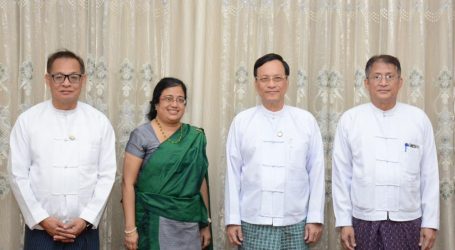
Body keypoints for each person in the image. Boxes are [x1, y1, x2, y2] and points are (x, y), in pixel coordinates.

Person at [8, 50, 117, 249]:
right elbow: (18, 175)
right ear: (47, 80)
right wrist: (42, 219)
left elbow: (107, 175)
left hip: (84, 231)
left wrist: (86, 218)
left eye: (73, 77)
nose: (66, 83)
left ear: (83, 80)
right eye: (59, 77)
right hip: (40, 232)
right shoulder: (28, 121)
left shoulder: (99, 122)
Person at [332, 54, 439, 250]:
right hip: (363, 219)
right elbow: (341, 176)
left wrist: (430, 222)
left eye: (390, 76)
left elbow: (429, 175)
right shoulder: (350, 120)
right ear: (366, 82)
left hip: (408, 219)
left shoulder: (418, 119)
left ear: (400, 82)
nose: (383, 82)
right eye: (377, 77)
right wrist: (344, 221)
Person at [225, 53, 325, 249]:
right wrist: (233, 219)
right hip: (253, 220)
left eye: (277, 78)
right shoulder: (242, 121)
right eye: (265, 79)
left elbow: (317, 171)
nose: (271, 84)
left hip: (296, 220)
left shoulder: (305, 121)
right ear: (256, 83)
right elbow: (232, 173)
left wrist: (315, 217)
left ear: (286, 82)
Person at [122, 77, 212, 250]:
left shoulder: (195, 136)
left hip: (190, 221)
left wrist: (205, 222)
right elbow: (128, 183)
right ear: (156, 103)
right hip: (152, 219)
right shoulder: (141, 135)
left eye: (180, 99)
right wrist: (129, 229)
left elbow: (200, 182)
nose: (175, 104)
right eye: (168, 98)